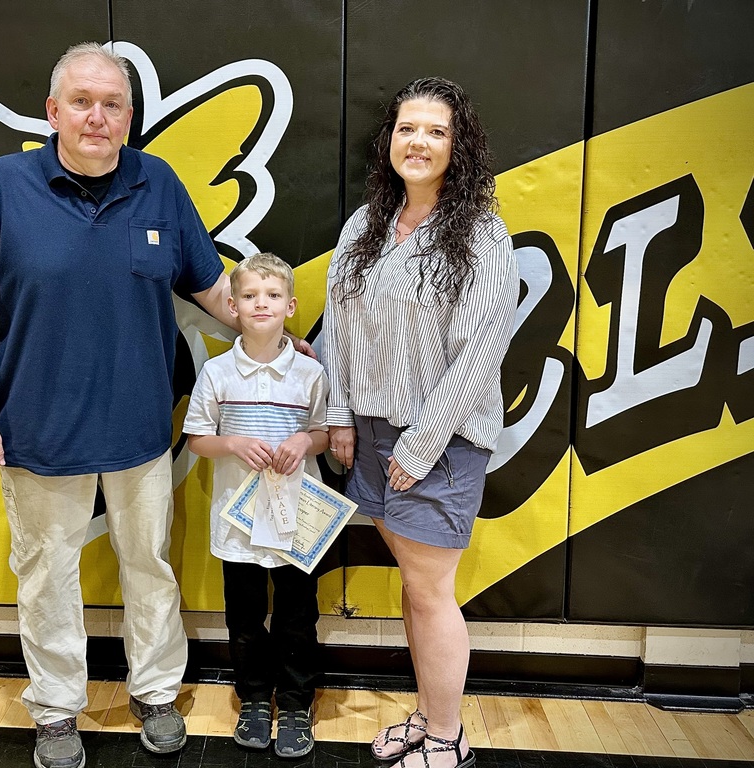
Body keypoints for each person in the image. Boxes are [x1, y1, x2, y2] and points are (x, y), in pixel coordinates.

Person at [0, 42, 246, 768]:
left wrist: (277, 339)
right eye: (82, 102)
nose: (97, 117)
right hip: (33, 431)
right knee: (45, 577)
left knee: (149, 566)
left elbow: (209, 290)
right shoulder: (2, 186)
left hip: (139, 430)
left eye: (112, 104)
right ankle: (56, 711)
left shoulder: (158, 183)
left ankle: (157, 692)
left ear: (130, 116)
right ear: (53, 111)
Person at [322, 77, 519, 768]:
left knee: (431, 593)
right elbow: (337, 331)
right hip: (373, 434)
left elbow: (478, 355)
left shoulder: (484, 237)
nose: (419, 141)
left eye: (437, 131)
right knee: (413, 584)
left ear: (458, 146)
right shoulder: (366, 226)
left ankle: (448, 738)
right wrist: (341, 414)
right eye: (409, 128)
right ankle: (429, 714)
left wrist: (424, 443)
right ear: (390, 141)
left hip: (439, 440)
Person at [183, 254, 329, 759]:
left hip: (296, 522)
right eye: (249, 296)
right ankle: (253, 700)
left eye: (271, 296)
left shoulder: (309, 373)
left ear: (290, 305)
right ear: (232, 305)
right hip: (237, 519)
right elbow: (198, 438)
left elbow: (325, 434)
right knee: (244, 617)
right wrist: (233, 444)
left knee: (296, 615)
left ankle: (293, 702)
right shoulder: (218, 373)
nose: (260, 304)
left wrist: (303, 444)